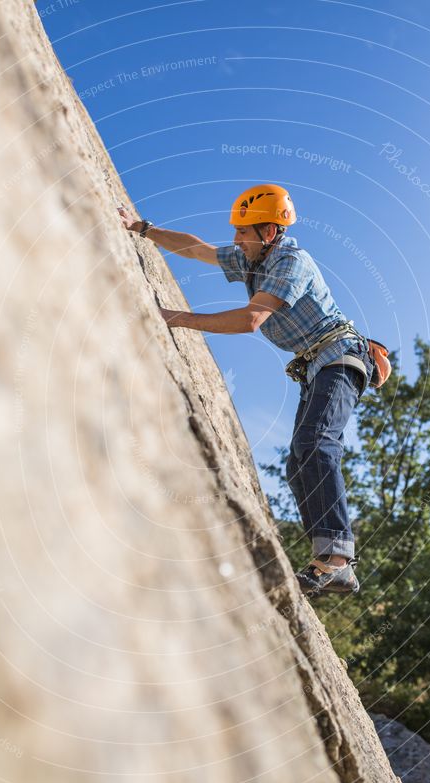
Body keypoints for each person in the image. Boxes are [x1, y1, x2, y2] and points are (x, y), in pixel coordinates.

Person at [118, 184, 374, 598]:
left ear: (270, 232)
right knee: (298, 461)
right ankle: (326, 557)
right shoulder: (252, 257)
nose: (236, 239)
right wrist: (143, 228)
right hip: (316, 365)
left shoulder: (291, 260)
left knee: (316, 443)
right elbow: (197, 249)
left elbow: (252, 318)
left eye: (244, 231)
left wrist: (176, 318)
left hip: (340, 356)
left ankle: (337, 562)